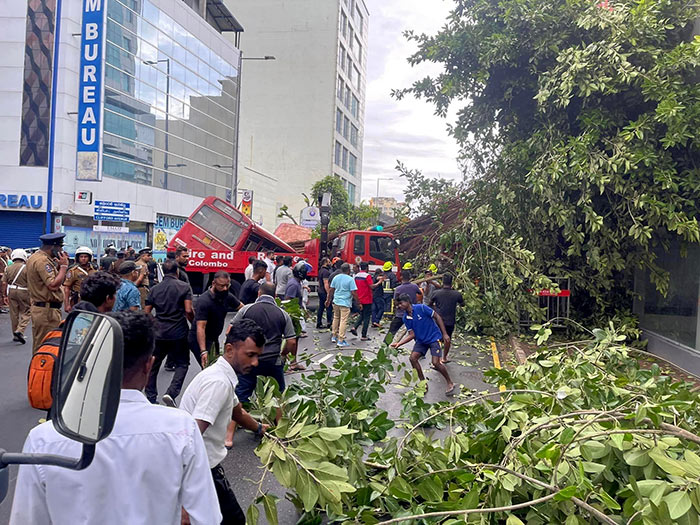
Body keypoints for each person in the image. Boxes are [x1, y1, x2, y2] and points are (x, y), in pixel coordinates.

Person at [10, 311, 221, 525]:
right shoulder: (182, 429)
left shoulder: (45, 438)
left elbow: (27, 518)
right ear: (149, 365)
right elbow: (206, 517)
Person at [179, 318, 268, 525]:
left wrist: (260, 428)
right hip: (203, 472)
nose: (255, 363)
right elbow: (189, 437)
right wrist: (182, 498)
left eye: (258, 356)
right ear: (229, 349)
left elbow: (237, 412)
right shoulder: (218, 383)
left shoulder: (220, 375)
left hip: (205, 470)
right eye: (250, 355)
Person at [227, 283, 297, 446]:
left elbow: (230, 331)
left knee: (241, 395)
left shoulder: (246, 310)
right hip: (273, 360)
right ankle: (281, 435)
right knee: (278, 395)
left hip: (249, 359)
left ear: (259, 293)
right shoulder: (282, 314)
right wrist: (284, 353)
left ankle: (228, 437)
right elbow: (292, 341)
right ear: (275, 296)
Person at [144, 259, 194, 407]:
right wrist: (193, 324)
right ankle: (171, 393)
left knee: (153, 365)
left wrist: (155, 324)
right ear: (177, 271)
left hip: (159, 332)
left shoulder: (154, 289)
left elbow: (146, 312)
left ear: (163, 272)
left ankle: (151, 396)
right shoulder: (184, 287)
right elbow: (188, 310)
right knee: (182, 363)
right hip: (178, 331)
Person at [390, 294, 456, 395]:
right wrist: (399, 343)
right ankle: (423, 383)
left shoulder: (422, 308)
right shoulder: (406, 318)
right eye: (397, 305)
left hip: (433, 338)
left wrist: (445, 334)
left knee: (436, 363)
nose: (399, 306)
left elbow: (437, 317)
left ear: (407, 302)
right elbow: (412, 334)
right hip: (421, 341)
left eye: (400, 303)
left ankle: (449, 382)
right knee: (412, 358)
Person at [188, 271, 242, 368]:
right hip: (199, 339)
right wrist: (203, 351)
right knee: (209, 368)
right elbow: (201, 327)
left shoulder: (227, 296)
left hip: (213, 338)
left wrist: (234, 323)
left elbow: (242, 308)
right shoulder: (204, 301)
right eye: (222, 286)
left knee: (218, 366)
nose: (225, 288)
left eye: (227, 285)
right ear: (213, 283)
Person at [26, 233, 69, 353]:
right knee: (45, 347)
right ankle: (39, 371)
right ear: (53, 247)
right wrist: (64, 267)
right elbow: (53, 285)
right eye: (60, 248)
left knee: (43, 345)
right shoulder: (42, 261)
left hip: (43, 308)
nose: (61, 250)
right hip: (46, 311)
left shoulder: (36, 258)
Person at [429, 274, 464, 363]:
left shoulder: (436, 293)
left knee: (437, 340)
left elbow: (430, 304)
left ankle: (436, 360)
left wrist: (435, 309)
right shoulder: (456, 294)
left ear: (443, 282)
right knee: (447, 339)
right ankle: (444, 358)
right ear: (451, 282)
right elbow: (462, 304)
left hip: (438, 320)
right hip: (450, 321)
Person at [385, 270, 423, 344]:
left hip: (400, 314)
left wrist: (398, 306)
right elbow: (420, 293)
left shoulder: (398, 289)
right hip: (412, 313)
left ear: (401, 277)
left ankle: (385, 346)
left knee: (392, 331)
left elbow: (395, 301)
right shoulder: (414, 286)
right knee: (415, 332)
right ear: (409, 277)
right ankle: (420, 349)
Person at [326, 263, 358, 347]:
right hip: (345, 302)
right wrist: (358, 302)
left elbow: (331, 290)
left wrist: (328, 300)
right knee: (343, 320)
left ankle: (334, 335)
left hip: (336, 301)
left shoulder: (336, 277)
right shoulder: (350, 279)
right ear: (348, 270)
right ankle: (341, 339)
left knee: (336, 318)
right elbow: (353, 292)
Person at [3, 249, 31, 344]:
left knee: (14, 313)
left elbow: (4, 282)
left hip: (11, 291)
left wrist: (4, 295)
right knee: (27, 311)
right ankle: (20, 330)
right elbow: (31, 282)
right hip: (24, 291)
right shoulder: (27, 268)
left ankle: (15, 333)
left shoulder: (8, 268)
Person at [63, 246, 95, 313]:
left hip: (92, 301)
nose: (83, 259)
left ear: (89, 258)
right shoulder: (73, 271)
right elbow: (67, 288)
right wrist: (66, 304)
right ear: (78, 258)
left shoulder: (95, 271)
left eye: (85, 257)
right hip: (77, 301)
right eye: (81, 257)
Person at [349, 262, 376, 341]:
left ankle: (355, 327)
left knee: (362, 315)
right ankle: (364, 335)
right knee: (367, 317)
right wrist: (379, 282)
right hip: (367, 299)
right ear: (367, 268)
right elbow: (372, 286)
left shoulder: (356, 276)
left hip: (359, 299)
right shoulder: (367, 276)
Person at [316, 257, 333, 329]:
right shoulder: (326, 272)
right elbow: (326, 283)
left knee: (321, 307)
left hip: (320, 291)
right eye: (329, 262)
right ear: (325, 263)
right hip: (324, 292)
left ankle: (319, 322)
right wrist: (329, 293)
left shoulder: (320, 270)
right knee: (329, 307)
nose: (330, 264)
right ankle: (329, 322)